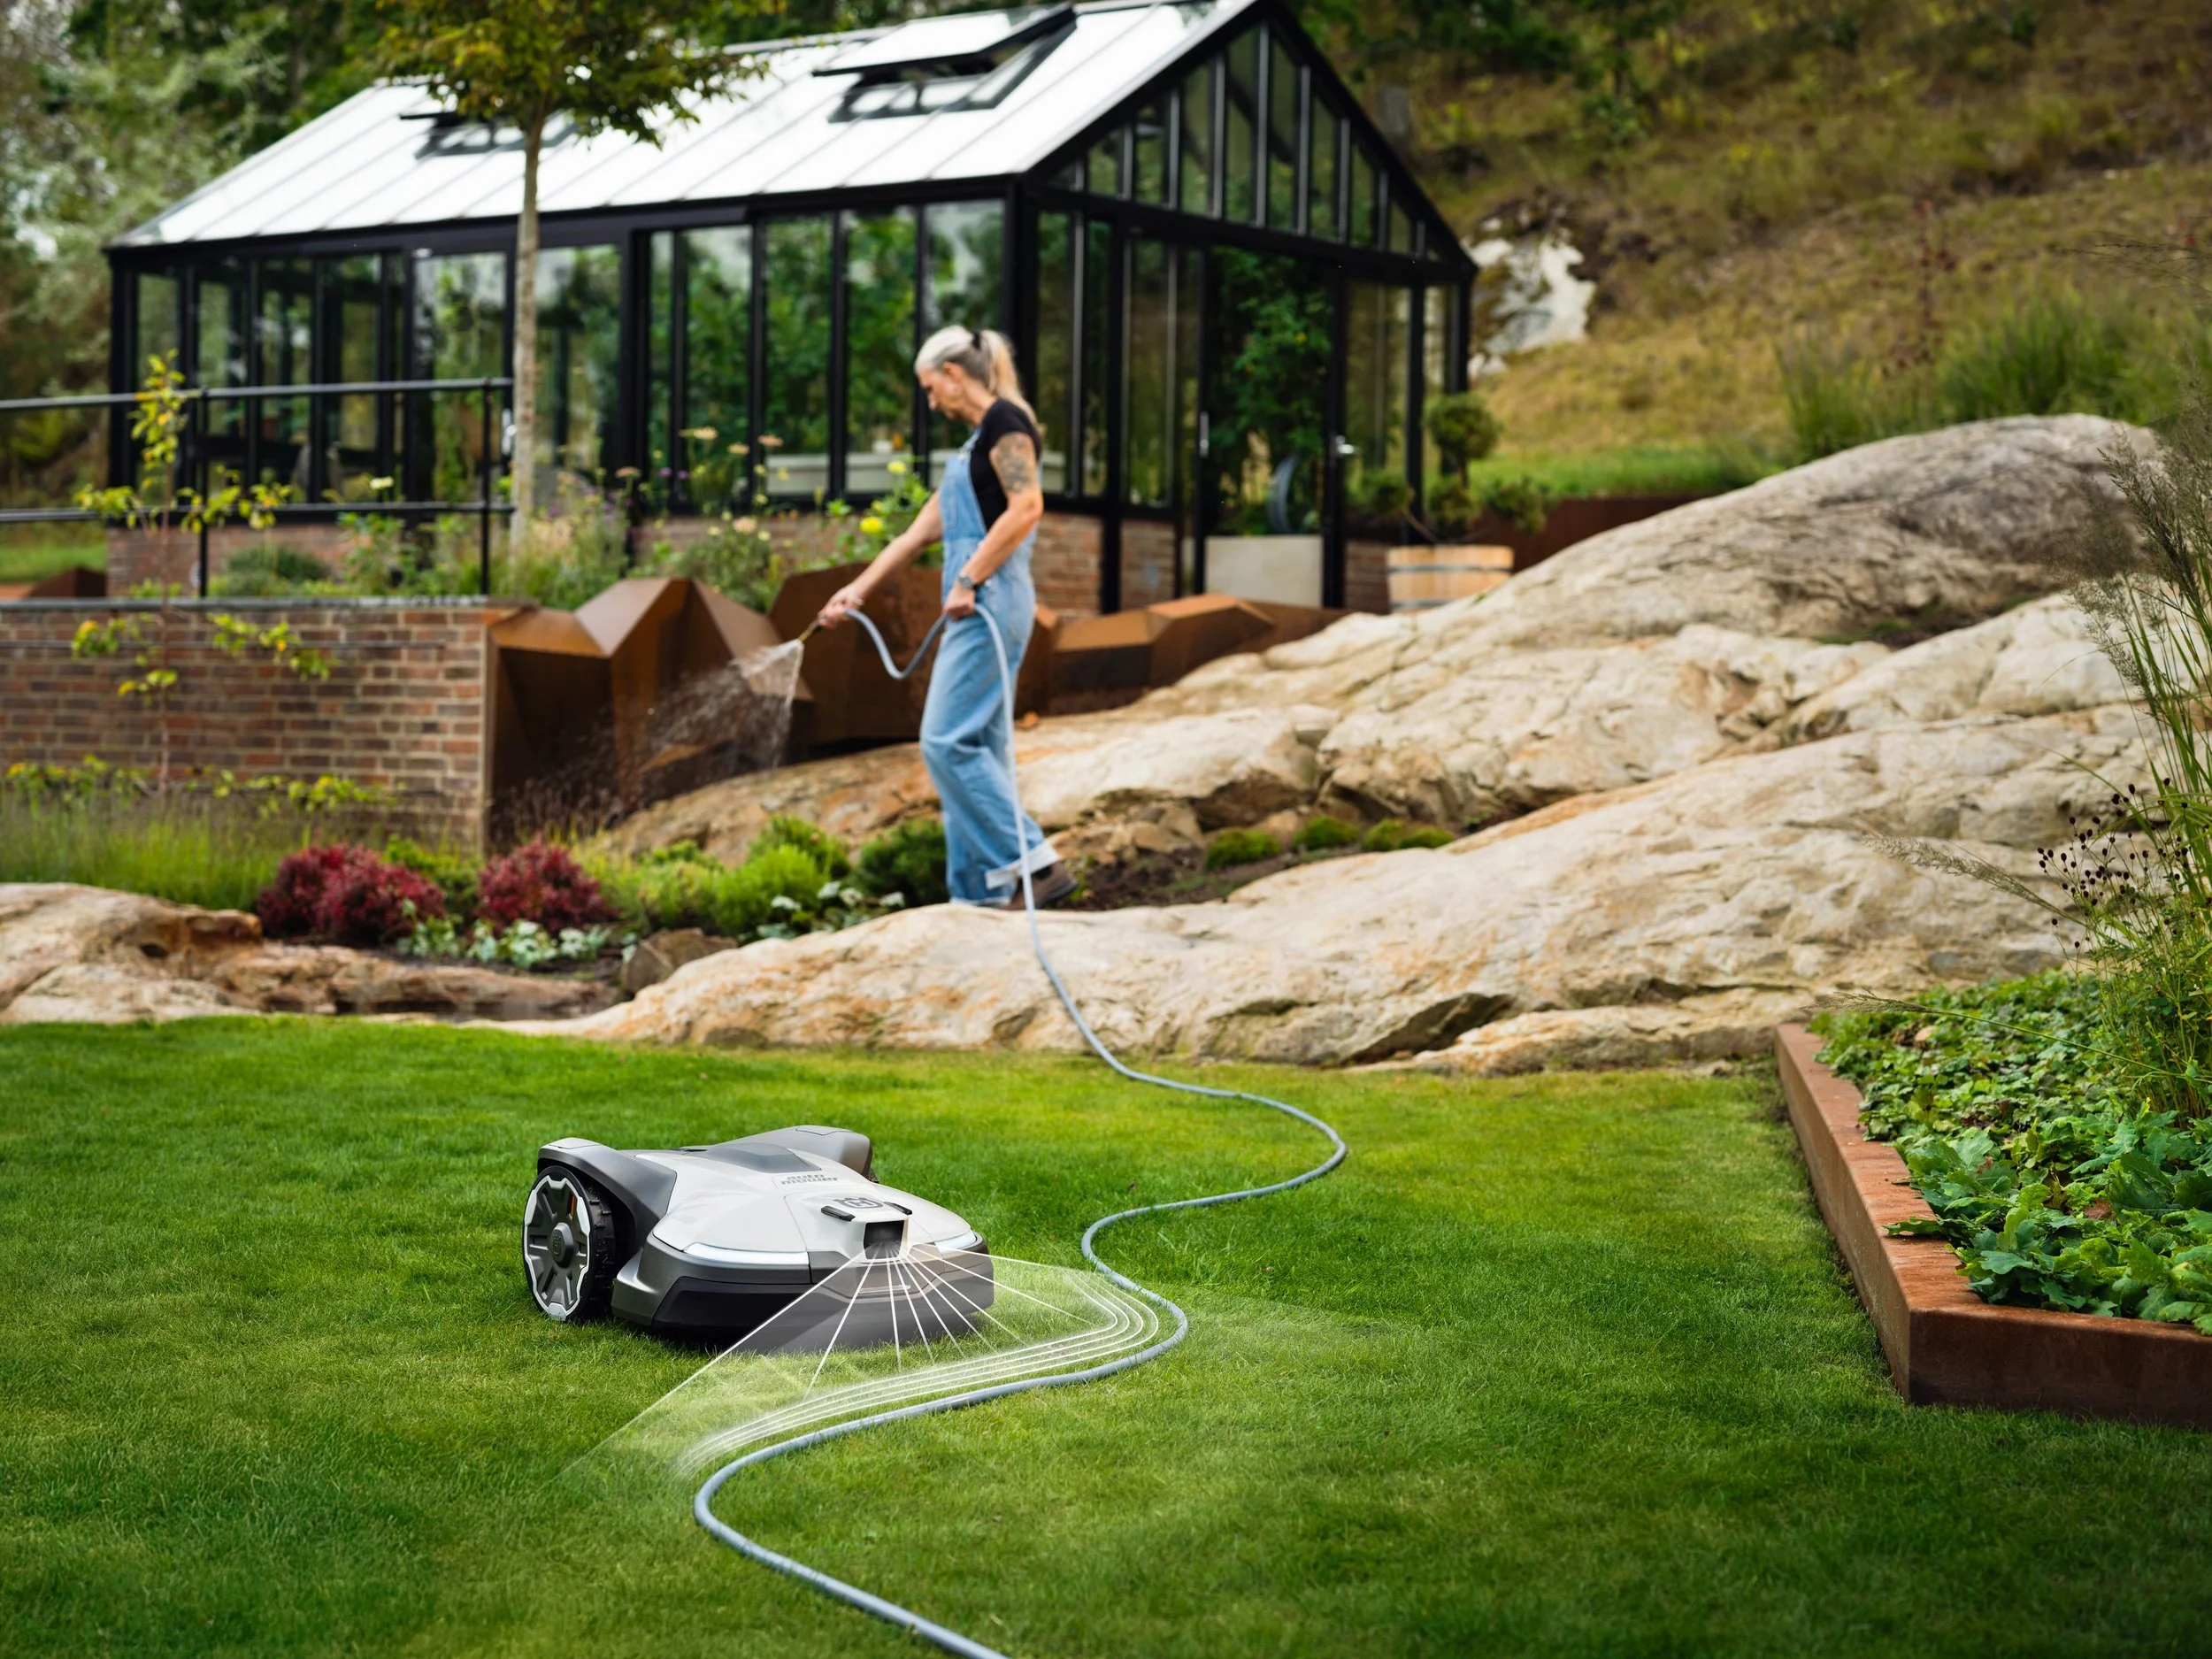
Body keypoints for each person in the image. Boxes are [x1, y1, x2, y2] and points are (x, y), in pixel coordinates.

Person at [815, 326, 1076, 910]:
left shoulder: (1008, 424)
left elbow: (1027, 506)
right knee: (977, 745)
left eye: (931, 389)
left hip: (989, 600)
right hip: (979, 600)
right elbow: (913, 537)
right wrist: (853, 593)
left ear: (954, 375)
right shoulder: (974, 451)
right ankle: (982, 891)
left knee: (945, 740)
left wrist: (969, 577)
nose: (932, 404)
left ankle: (1037, 864)